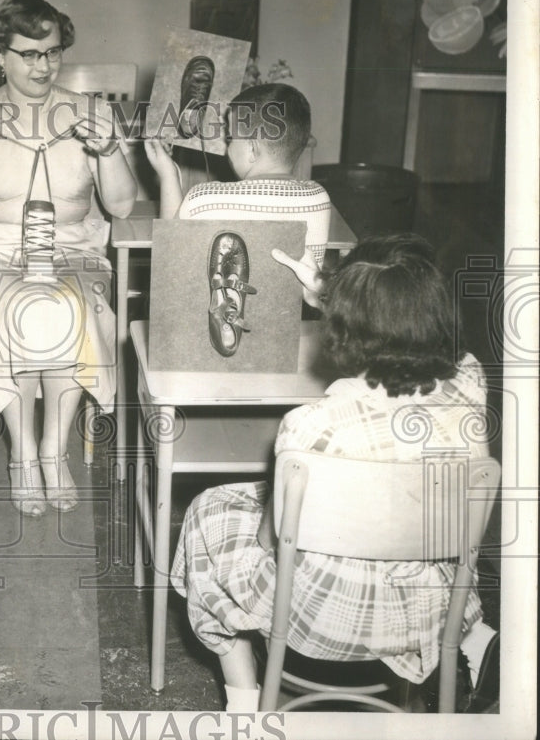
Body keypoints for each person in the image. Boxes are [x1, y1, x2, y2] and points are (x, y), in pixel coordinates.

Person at [170, 233, 499, 712]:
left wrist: (333, 298)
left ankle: (243, 704)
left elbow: (270, 540)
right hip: (431, 609)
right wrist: (327, 291)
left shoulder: (314, 426)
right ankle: (475, 640)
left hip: (318, 619)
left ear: (344, 329)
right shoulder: (471, 383)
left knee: (208, 511)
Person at [0, 0, 137, 517]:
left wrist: (110, 151)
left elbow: (121, 206)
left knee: (67, 303)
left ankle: (54, 450)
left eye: (52, 52)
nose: (43, 66)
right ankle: (22, 454)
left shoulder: (94, 114)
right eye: (28, 54)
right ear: (0, 55)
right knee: (14, 304)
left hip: (73, 249)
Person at [146, 82, 330, 266]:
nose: (227, 148)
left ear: (252, 149)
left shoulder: (204, 199)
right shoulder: (319, 198)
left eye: (230, 138)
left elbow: (168, 255)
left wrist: (168, 174)